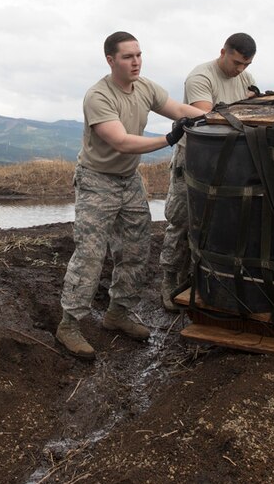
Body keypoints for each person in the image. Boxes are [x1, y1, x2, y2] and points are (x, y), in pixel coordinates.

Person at [56, 31, 207, 359]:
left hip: (128, 180)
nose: (136, 61)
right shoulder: (98, 96)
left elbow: (178, 108)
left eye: (139, 55)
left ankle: (118, 314)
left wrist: (216, 115)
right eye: (128, 56)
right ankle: (69, 324)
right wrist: (169, 139)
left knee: (137, 250)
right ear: (111, 60)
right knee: (91, 254)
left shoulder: (146, 87)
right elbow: (122, 141)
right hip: (97, 181)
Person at [160, 33, 258, 311]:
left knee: (213, 223)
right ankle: (168, 281)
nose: (240, 70)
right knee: (181, 220)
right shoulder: (201, 77)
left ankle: (195, 278)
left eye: (246, 65)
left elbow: (254, 99)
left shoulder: (245, 77)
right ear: (223, 52)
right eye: (237, 62)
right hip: (193, 157)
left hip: (230, 159)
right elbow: (208, 118)